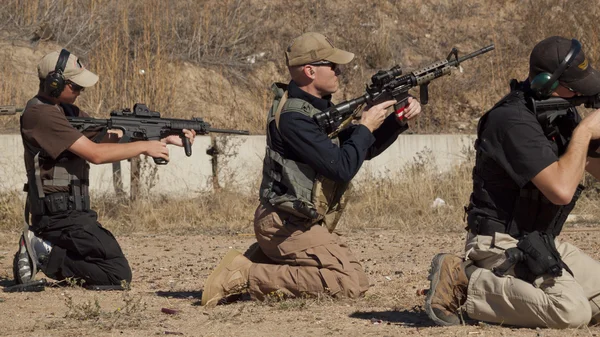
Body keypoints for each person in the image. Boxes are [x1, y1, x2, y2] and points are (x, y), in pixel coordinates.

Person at [201, 32, 421, 307]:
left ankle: (261, 260)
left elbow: (361, 150)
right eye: (332, 66)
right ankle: (246, 273)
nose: (339, 71)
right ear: (310, 71)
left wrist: (395, 121)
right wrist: (365, 125)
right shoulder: (295, 119)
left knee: (346, 277)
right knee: (349, 282)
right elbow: (341, 167)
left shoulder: (315, 111)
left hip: (297, 220)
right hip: (284, 223)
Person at [425, 36, 600, 328]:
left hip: (541, 241)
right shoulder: (511, 120)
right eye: (574, 89)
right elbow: (561, 190)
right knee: (572, 312)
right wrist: (584, 133)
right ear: (546, 84)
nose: (580, 97)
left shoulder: (559, 114)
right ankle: (465, 280)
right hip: (499, 243)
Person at [13, 49, 196, 288]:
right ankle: (42, 252)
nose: (80, 91)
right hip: (57, 216)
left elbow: (102, 141)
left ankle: (45, 250)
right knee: (117, 274)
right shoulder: (41, 115)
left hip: (74, 213)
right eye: (75, 86)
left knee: (112, 267)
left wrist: (163, 136)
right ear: (54, 83)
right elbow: (96, 155)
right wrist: (144, 146)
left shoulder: (65, 111)